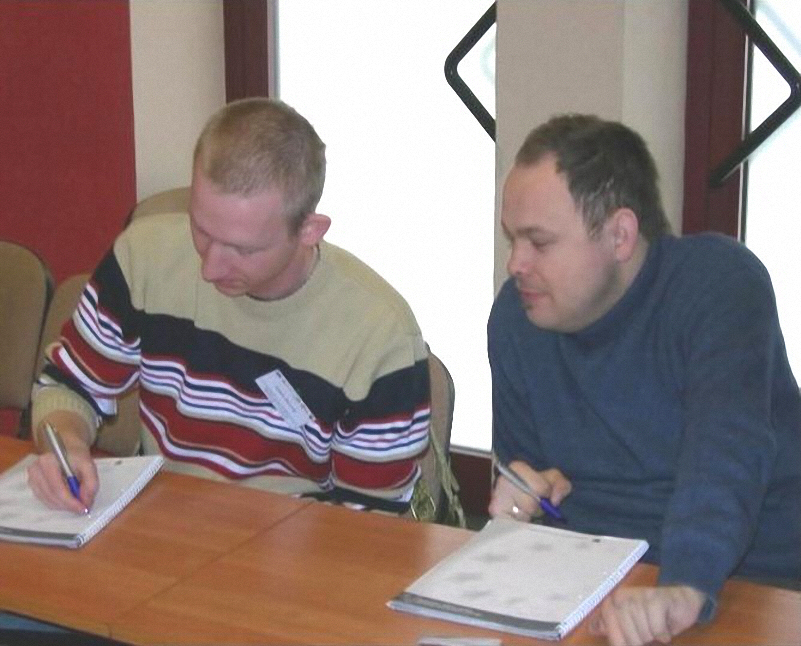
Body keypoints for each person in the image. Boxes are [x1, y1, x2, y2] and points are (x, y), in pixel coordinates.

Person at [28, 97, 431, 516]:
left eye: (243, 249)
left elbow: (370, 518)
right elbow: (70, 386)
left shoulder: (378, 333)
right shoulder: (143, 258)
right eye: (201, 229)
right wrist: (66, 445)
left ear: (309, 230)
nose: (210, 268)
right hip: (162, 520)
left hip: (294, 538)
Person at [488, 114, 801, 646]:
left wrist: (683, 587)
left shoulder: (719, 286)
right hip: (594, 584)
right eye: (512, 238)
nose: (515, 263)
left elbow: (725, 460)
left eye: (538, 242)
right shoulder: (518, 320)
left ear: (620, 235)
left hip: (753, 581)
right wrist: (519, 505)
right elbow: (529, 476)